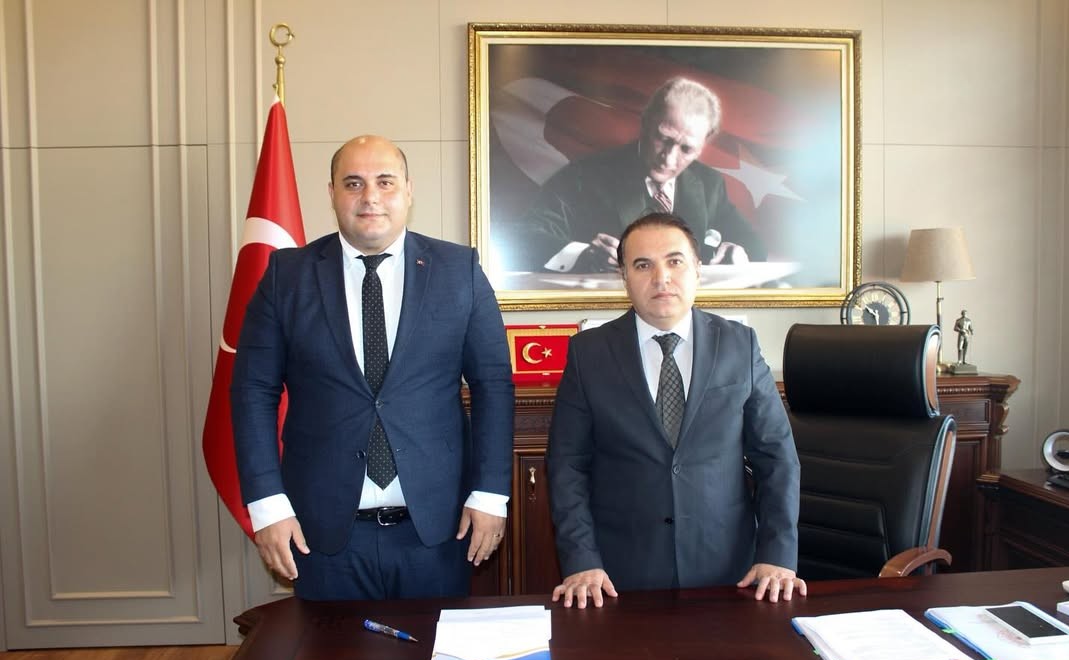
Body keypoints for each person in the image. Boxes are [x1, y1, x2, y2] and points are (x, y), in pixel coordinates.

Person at [231, 135, 515, 601]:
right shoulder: (287, 275)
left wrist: (489, 494)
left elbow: (493, 387)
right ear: (332, 193)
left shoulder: (458, 269)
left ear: (408, 190)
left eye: (385, 182)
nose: (370, 197)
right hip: (321, 533)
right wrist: (267, 505)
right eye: (353, 183)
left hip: (438, 530)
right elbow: (252, 391)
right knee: (326, 652)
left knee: (435, 650)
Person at [546, 212, 804, 608]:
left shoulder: (740, 345)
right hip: (617, 576)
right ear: (624, 276)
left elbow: (777, 457)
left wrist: (777, 555)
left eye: (674, 261)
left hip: (730, 572)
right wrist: (581, 560)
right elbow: (567, 466)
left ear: (697, 269)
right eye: (642, 265)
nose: (661, 277)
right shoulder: (588, 353)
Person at [511, 76, 764, 273]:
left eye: (686, 149)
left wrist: (739, 252)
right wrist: (584, 254)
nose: (669, 158)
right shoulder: (583, 176)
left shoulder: (709, 183)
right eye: (663, 139)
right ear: (645, 123)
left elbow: (754, 245)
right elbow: (524, 236)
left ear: (703, 145)